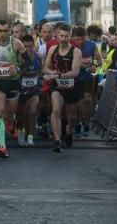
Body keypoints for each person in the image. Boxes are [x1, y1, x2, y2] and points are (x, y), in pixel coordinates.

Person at [0, 20, 27, 158]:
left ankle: (12, 124)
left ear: (10, 31)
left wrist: (17, 69)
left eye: (5, 31)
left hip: (13, 83)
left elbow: (27, 62)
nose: (2, 34)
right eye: (0, 30)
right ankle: (2, 147)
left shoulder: (16, 43)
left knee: (9, 117)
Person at [43, 24, 82, 153]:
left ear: (70, 37)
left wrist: (59, 75)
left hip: (72, 86)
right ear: (57, 35)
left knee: (71, 117)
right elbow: (45, 67)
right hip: (57, 87)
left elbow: (75, 72)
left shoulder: (76, 52)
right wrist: (52, 73)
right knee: (56, 110)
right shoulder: (52, 49)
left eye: (66, 36)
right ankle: (57, 140)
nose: (64, 39)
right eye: (61, 36)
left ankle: (69, 130)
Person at [16, 34, 41, 147]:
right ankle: (21, 133)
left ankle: (30, 136)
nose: (27, 49)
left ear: (33, 45)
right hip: (20, 90)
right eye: (25, 46)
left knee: (32, 110)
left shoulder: (38, 56)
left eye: (30, 46)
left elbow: (40, 72)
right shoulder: (17, 58)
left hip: (33, 90)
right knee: (20, 115)